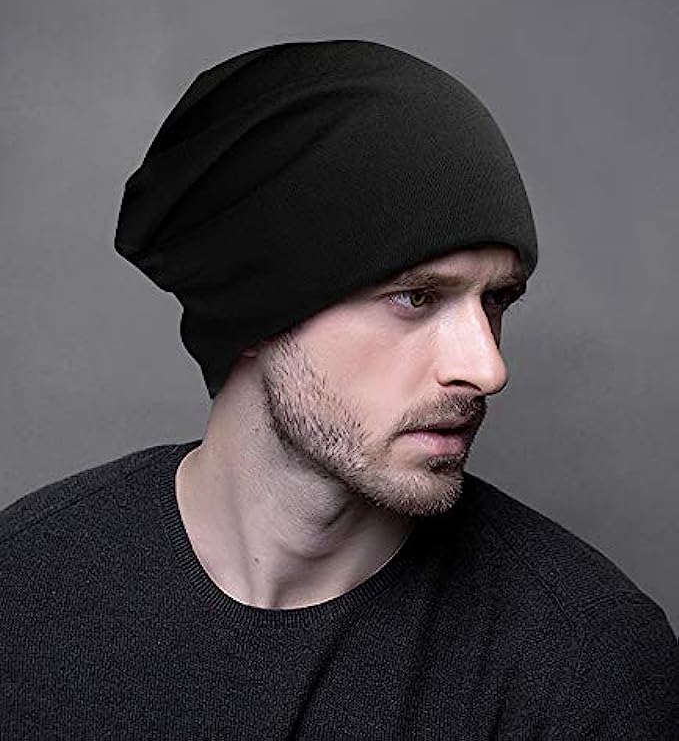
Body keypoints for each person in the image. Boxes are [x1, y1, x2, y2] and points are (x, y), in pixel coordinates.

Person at [2, 39, 677, 739]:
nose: (487, 368)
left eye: (496, 300)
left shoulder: (586, 668)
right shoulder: (22, 596)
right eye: (416, 297)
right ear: (257, 309)